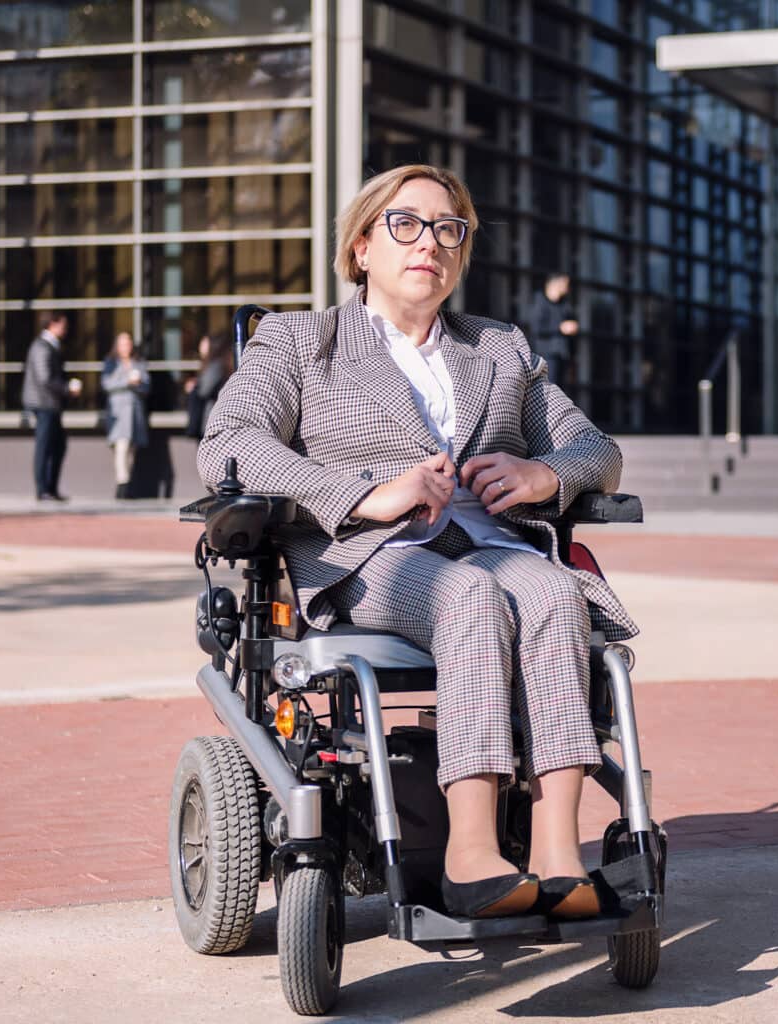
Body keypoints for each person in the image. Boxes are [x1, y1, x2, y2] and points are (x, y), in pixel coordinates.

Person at [198, 165, 633, 922]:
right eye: (406, 224)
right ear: (362, 246)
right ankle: (471, 855)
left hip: (492, 542)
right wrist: (365, 494)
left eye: (448, 228)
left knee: (557, 590)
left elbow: (595, 449)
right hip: (368, 556)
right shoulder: (304, 341)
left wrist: (539, 474)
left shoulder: (498, 349)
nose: (428, 241)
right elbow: (228, 445)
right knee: (470, 594)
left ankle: (558, 856)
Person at [21, 311, 80, 501]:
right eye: (63, 325)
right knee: (45, 447)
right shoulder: (41, 347)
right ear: (52, 325)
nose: (66, 329)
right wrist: (67, 389)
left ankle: (51, 488)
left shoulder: (51, 346)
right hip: (44, 404)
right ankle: (43, 490)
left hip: (52, 405)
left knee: (58, 446)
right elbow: (45, 378)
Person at [101, 331, 151, 499]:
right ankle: (122, 485)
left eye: (128, 343)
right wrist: (126, 382)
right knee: (121, 448)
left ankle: (127, 484)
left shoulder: (138, 363)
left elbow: (147, 387)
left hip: (135, 413)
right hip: (118, 412)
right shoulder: (111, 363)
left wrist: (137, 384)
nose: (126, 347)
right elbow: (106, 384)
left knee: (131, 450)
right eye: (122, 344)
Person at [524, 271, 578, 387]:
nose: (567, 288)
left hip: (562, 354)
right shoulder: (539, 300)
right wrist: (560, 327)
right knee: (549, 388)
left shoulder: (565, 304)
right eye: (565, 284)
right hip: (546, 354)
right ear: (556, 284)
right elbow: (535, 327)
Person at [184, 333, 233, 440]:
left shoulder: (216, 365)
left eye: (204, 343)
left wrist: (195, 387)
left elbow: (204, 390)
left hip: (212, 417)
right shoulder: (216, 364)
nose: (201, 347)